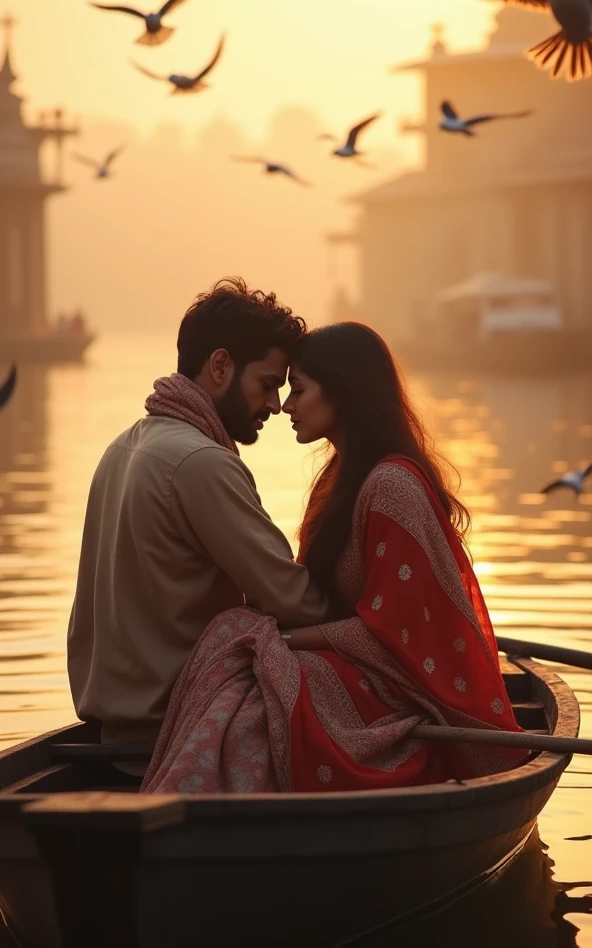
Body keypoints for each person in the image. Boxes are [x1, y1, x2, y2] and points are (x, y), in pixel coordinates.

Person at [142, 322, 527, 794]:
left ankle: (195, 816)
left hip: (403, 690)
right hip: (356, 669)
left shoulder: (392, 488)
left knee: (251, 679)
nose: (285, 405)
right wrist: (271, 638)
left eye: (298, 391)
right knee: (240, 653)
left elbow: (392, 637)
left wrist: (281, 638)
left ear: (343, 393)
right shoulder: (339, 481)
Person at [67, 278, 328, 750]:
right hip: (176, 727)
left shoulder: (121, 447)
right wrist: (373, 625)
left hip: (113, 731)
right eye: (267, 384)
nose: (274, 405)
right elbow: (292, 598)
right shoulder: (201, 462)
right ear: (221, 366)